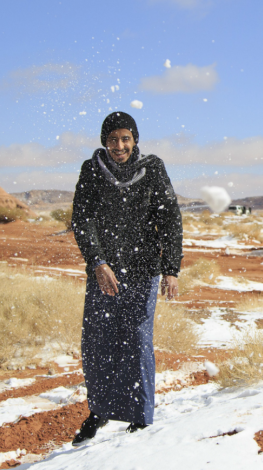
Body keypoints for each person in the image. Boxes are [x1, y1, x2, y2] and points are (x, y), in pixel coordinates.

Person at [69, 111, 183, 445]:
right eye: (112, 139)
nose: (119, 146)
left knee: (136, 340)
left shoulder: (152, 167)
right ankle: (100, 410)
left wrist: (171, 268)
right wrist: (97, 262)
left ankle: (140, 418)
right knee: (97, 342)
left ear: (134, 140)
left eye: (125, 138)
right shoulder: (92, 169)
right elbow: (82, 218)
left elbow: (170, 218)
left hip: (143, 268)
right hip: (105, 273)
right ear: (104, 141)